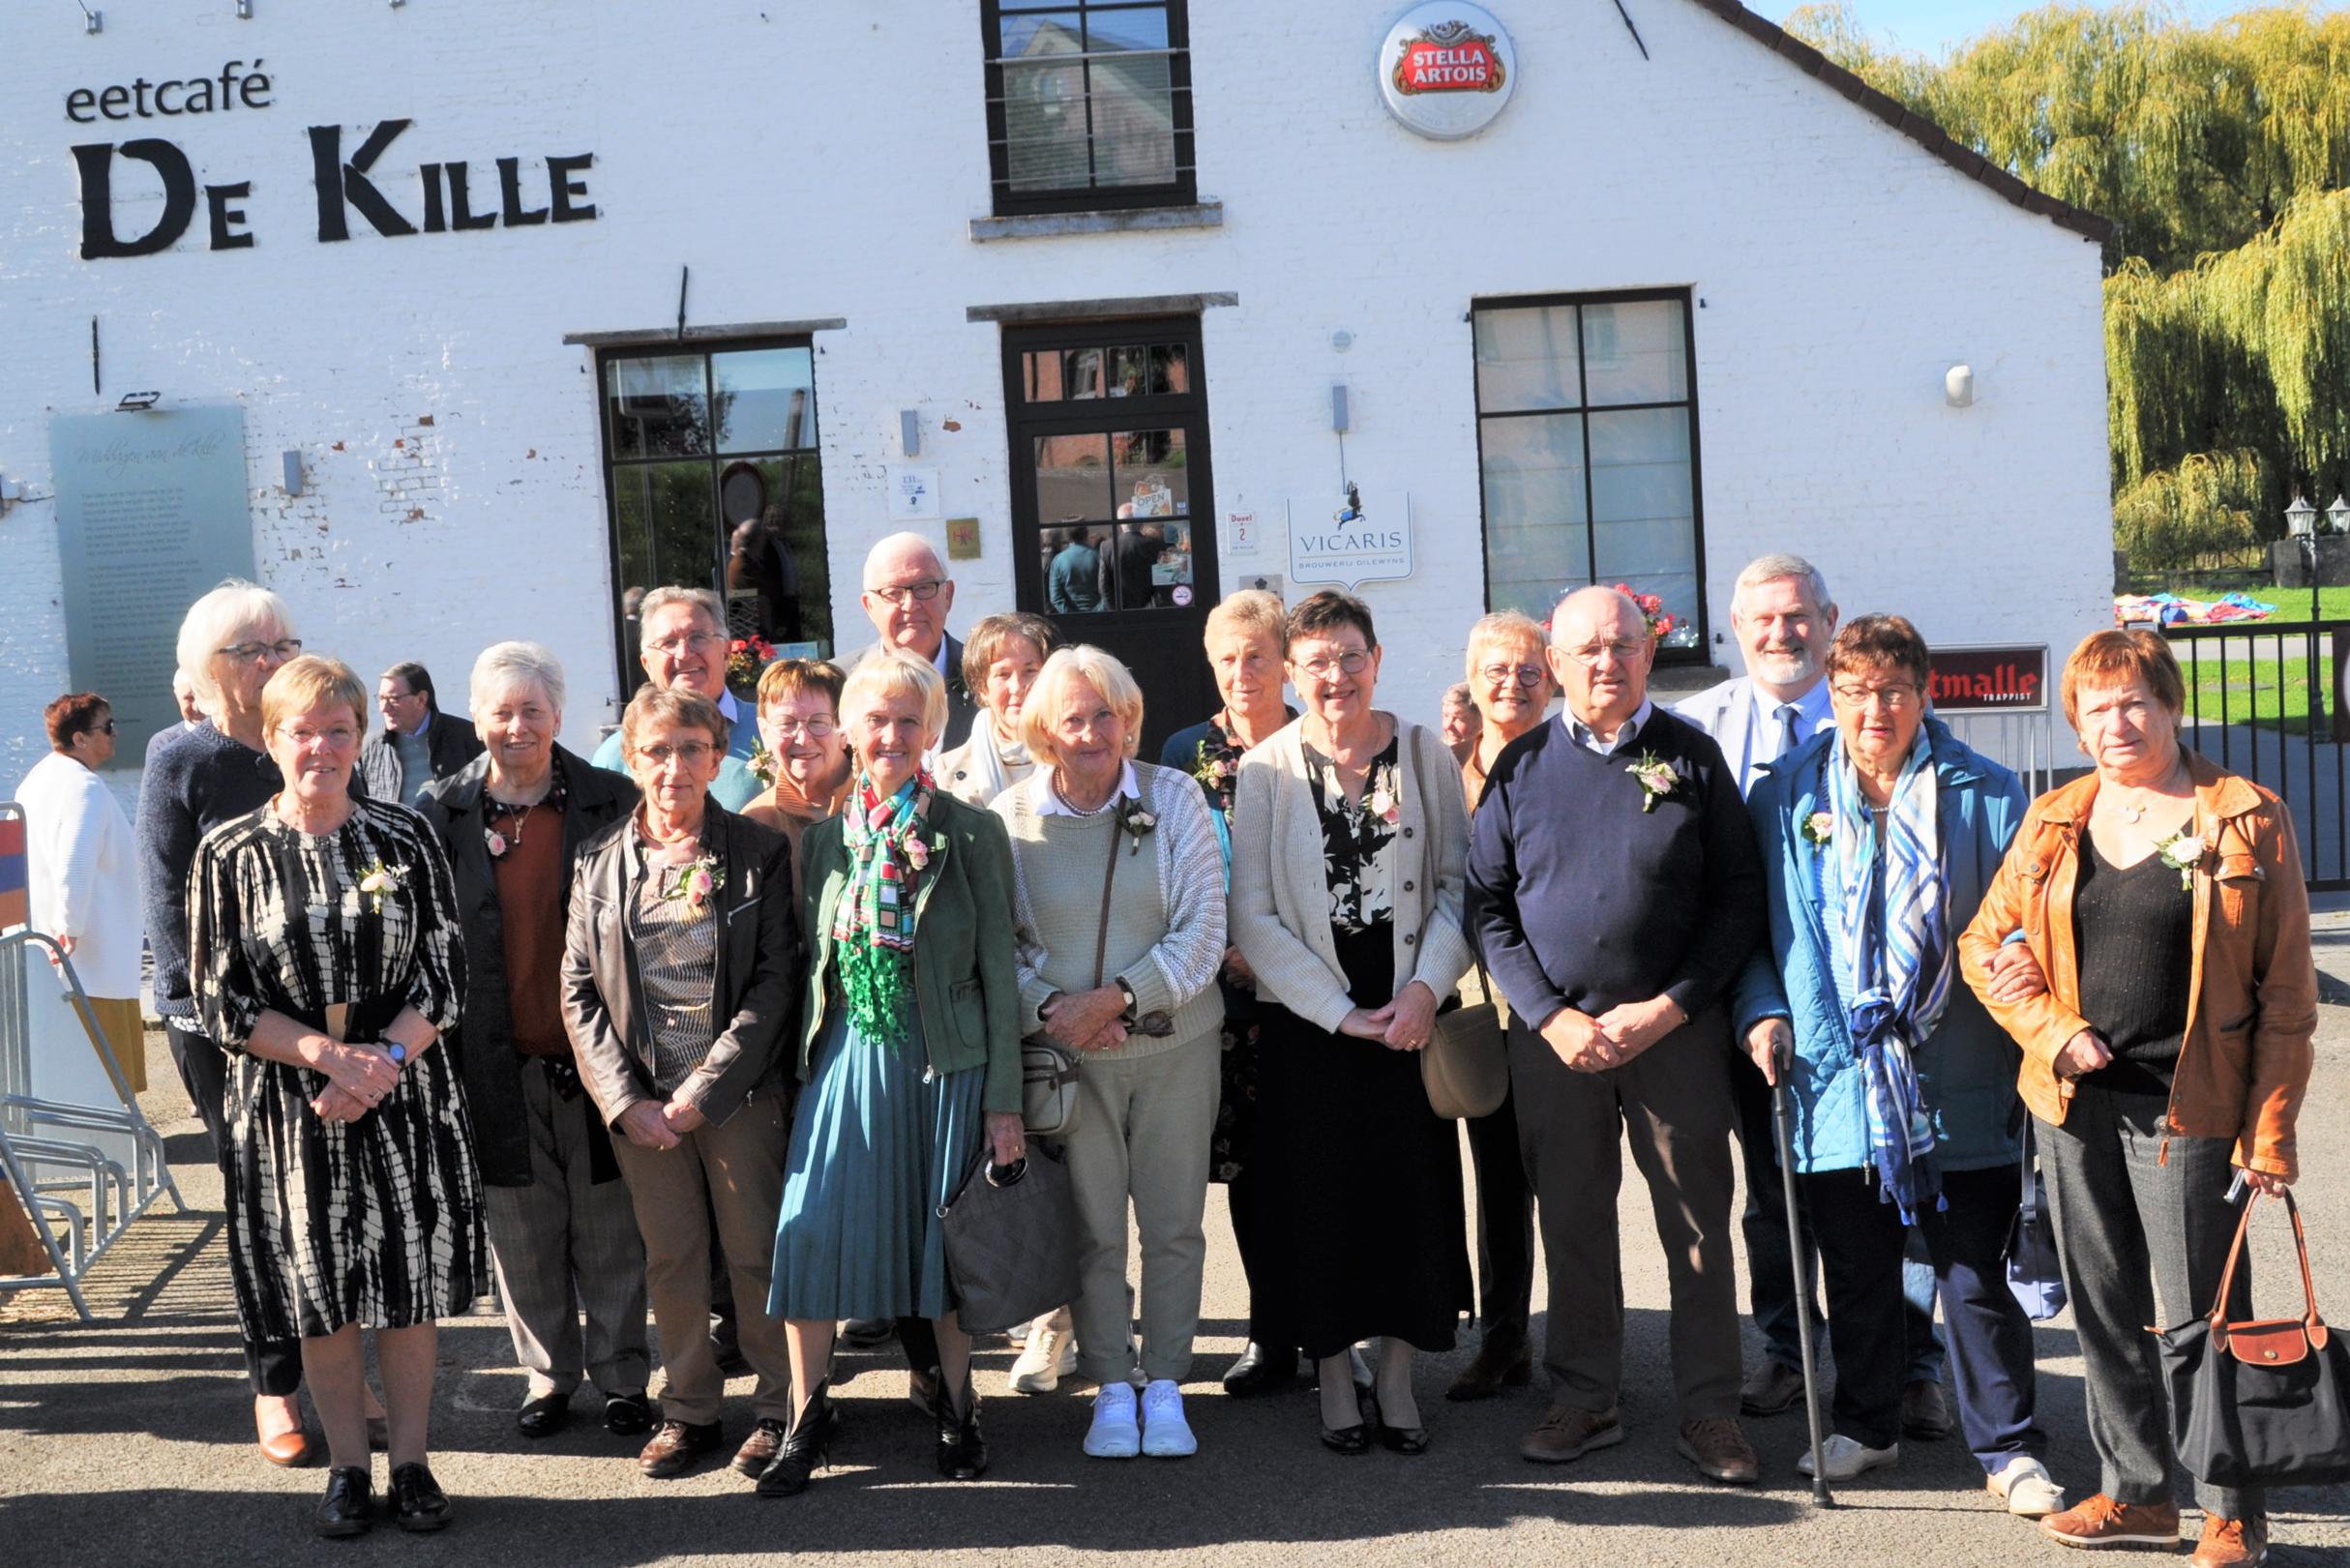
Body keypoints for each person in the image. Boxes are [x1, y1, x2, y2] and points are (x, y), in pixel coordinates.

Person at [1962, 630, 2316, 1568]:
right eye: (2093, 707)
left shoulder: (2242, 817)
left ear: (2167, 706)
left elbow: (2286, 995)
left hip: (2189, 1109)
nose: (2113, 723)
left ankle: (2228, 1506)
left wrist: (2269, 1132)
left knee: (2205, 1311)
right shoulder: (2053, 820)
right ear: (2073, 722)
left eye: (2132, 703)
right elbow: (1984, 945)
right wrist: (2048, 1027)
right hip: (2073, 1100)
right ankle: (2135, 1491)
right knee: (2102, 1303)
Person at [1733, 615, 2063, 1509]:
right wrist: (1762, 1010)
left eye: (1892, 690)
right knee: (1858, 1267)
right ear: (1829, 696)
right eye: (1853, 690)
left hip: (1958, 1068)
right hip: (1835, 1074)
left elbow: (2026, 929)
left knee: (1970, 1270)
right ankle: (1867, 1425)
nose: (1873, 708)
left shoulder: (1990, 796)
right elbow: (1756, 932)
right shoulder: (1785, 795)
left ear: (1924, 694)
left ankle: (2007, 1448)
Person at [1466, 585, 1763, 1484]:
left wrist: (1669, 1005)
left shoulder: (1693, 758)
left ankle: (1710, 1409)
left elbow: (1737, 899)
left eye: (1624, 645)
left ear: (1648, 652)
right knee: (1573, 1221)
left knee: (1696, 1226)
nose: (1607, 662)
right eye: (1587, 648)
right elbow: (1486, 905)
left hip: (1671, 1031)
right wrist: (1548, 1014)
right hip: (1556, 1040)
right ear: (1554, 663)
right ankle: (1585, 1396)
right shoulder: (1518, 768)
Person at [187, 655, 487, 1537]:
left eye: (339, 730)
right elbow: (219, 997)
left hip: (402, 1090)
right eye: (302, 731)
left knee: (404, 1284)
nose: (321, 747)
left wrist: (380, 1061)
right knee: (318, 1288)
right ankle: (348, 1469)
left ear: (363, 737)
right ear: (271, 740)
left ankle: (415, 1463)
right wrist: (328, 1057)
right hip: (289, 1105)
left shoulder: (405, 836)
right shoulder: (230, 851)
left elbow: (446, 968)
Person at [1674, 554, 1950, 1435]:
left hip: (1885, 1011)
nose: (1780, 633)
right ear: (1733, 625)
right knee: (1773, 1191)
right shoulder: (1696, 728)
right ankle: (1791, 1352)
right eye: (1761, 619)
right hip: (1755, 999)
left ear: (1828, 619)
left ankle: (1909, 1364)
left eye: (1796, 616)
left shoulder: (1891, 718)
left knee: (1896, 1186)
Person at [762, 652, 1025, 1496]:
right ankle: (807, 1414)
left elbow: (996, 973)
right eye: (874, 719)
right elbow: (814, 967)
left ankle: (957, 1404)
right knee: (807, 1233)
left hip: (942, 1066)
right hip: (846, 1058)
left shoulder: (971, 830)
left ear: (932, 730)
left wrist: (1003, 1104)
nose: (890, 735)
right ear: (849, 731)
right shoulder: (830, 838)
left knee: (936, 1251)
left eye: (908, 720)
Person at [1228, 591, 1473, 1457]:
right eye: (1317, 661)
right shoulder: (1262, 769)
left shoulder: (1422, 751)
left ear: (1376, 657)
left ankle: (1399, 1373)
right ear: (1293, 674)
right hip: (1312, 1018)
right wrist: (1337, 1014)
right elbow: (1251, 914)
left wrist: (1423, 991)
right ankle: (1334, 1374)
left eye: (1350, 655)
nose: (1336, 675)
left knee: (1406, 1197)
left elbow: (1455, 885)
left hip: (1406, 1007)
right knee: (1321, 1202)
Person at [561, 684, 801, 1486]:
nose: (673, 767)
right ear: (631, 758)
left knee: (753, 1254)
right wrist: (623, 1099)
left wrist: (708, 1085)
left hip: (736, 1097)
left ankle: (780, 1408)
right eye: (656, 750)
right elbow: (577, 987)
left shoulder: (754, 851)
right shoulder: (598, 861)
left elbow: (775, 981)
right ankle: (690, 1408)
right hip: (642, 1107)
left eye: (690, 748)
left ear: (714, 756)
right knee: (672, 1259)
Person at [416, 643, 652, 1444]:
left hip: (596, 1059)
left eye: (531, 710)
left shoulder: (612, 800)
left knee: (612, 1228)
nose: (515, 727)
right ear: (476, 717)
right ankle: (549, 1375)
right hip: (490, 1057)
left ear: (557, 714)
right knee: (521, 1230)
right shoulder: (439, 813)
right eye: (499, 711)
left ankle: (624, 1377)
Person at [997, 645, 1226, 1458]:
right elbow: (1002, 947)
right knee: (1091, 1230)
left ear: (1129, 719)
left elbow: (1204, 925)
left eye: (1107, 713)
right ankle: (1109, 1386)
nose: (1093, 731)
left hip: (1174, 1050)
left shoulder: (1176, 796)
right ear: (1044, 730)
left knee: (1173, 1225)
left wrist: (1120, 997)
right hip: (1070, 1065)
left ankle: (1164, 1382)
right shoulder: (1010, 816)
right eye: (1074, 717)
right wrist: (1059, 1009)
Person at [135, 579, 320, 1467]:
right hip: (219, 1026)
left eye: (285, 643)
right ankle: (275, 1384)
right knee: (257, 1207)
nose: (278, 660)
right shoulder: (183, 756)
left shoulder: (308, 741)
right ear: (214, 669)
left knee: (326, 1197)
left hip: (322, 1014)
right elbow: (167, 910)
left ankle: (339, 1368)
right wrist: (226, 1015)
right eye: (257, 650)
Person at [1158, 588, 1299, 1398]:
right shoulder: (1184, 751)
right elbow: (1172, 871)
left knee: (1316, 1163)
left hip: (1314, 992)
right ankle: (1268, 1331)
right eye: (1227, 658)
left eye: (1257, 655)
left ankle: (1330, 1328)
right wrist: (1226, 952)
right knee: (1249, 1173)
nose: (1242, 672)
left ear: (1283, 659)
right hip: (1228, 999)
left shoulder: (1317, 739)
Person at [1446, 612, 1553, 1403]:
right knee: (1497, 1185)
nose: (1510, 682)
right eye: (1495, 669)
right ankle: (1503, 1337)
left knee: (1577, 1187)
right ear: (1471, 678)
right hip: (1483, 1012)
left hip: (1565, 1009)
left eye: (1526, 669)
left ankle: (1587, 1345)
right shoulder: (1440, 777)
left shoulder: (1570, 764)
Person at [15, 694, 144, 1092]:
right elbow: (76, 857)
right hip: (89, 948)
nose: (114, 733)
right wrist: (69, 925)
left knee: (66, 1054)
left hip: (50, 942)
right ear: (80, 739)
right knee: (102, 1063)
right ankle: (115, 1135)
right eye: (106, 727)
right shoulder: (83, 787)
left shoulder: (36, 779)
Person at [589, 586, 763, 812]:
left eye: (698, 637)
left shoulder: (771, 731)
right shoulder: (617, 754)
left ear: (726, 653)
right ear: (647, 664)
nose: (684, 653)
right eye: (668, 642)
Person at [852, 532, 978, 753]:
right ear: (869, 606)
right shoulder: (839, 683)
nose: (910, 605)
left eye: (924, 587)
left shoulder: (987, 679)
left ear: (948, 595)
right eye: (893, 593)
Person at [741, 659, 852, 898]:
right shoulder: (757, 823)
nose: (802, 738)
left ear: (843, 729)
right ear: (764, 733)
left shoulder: (885, 802)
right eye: (786, 724)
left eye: (818, 722)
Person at [937, 611, 1062, 813]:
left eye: (1030, 672)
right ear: (982, 688)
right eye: (1002, 674)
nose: (1017, 687)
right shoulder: (945, 771)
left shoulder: (1080, 757)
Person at [360, 663, 484, 808]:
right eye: (381, 699)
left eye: (393, 699)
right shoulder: (369, 747)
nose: (384, 708)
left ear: (421, 699)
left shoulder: (467, 737)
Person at [1047, 526, 1103, 615]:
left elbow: (1056, 598)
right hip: (1100, 616)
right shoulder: (1099, 557)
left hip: (1071, 620)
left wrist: (1071, 614)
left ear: (1066, 536)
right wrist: (1098, 611)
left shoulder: (1058, 560)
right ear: (1086, 533)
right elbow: (1108, 590)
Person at [1441, 682, 1480, 765]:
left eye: (1459, 718)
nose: (1447, 726)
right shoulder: (1433, 762)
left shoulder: (1494, 763)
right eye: (1445, 716)